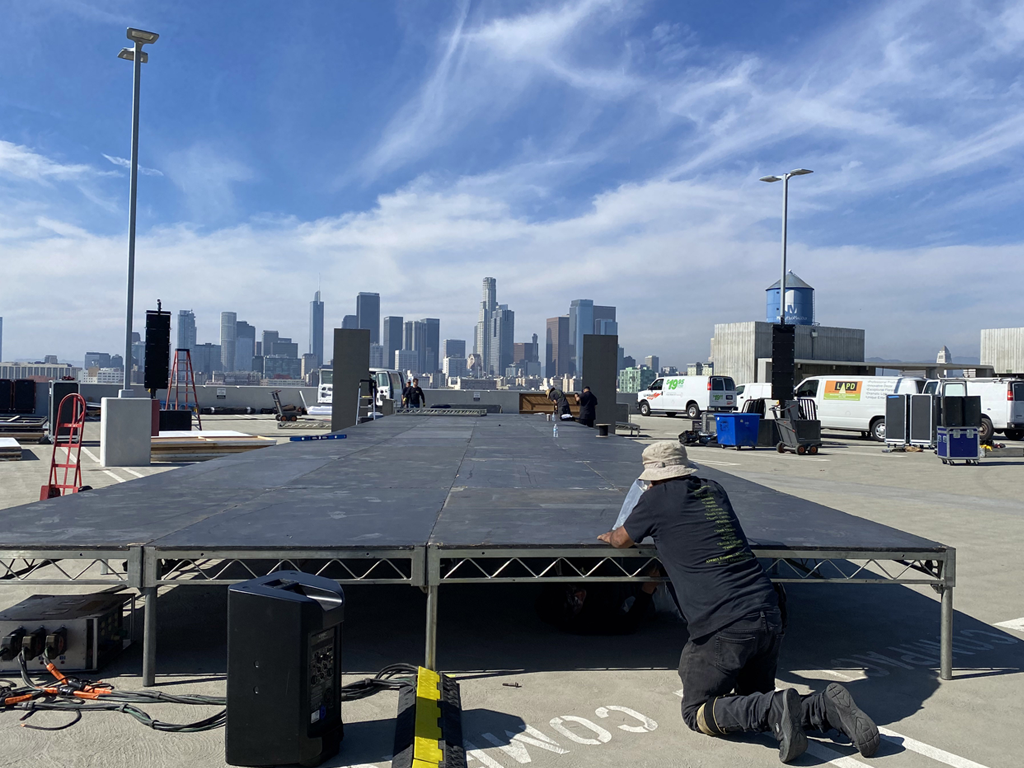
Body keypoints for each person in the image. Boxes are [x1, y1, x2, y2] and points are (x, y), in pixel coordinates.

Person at [597, 442, 879, 764]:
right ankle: (823, 708)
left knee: (697, 711)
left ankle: (778, 708)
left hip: (724, 623)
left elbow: (622, 539)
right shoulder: (714, 490)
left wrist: (610, 535)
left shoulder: (654, 499)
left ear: (653, 478)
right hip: (768, 610)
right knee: (754, 703)